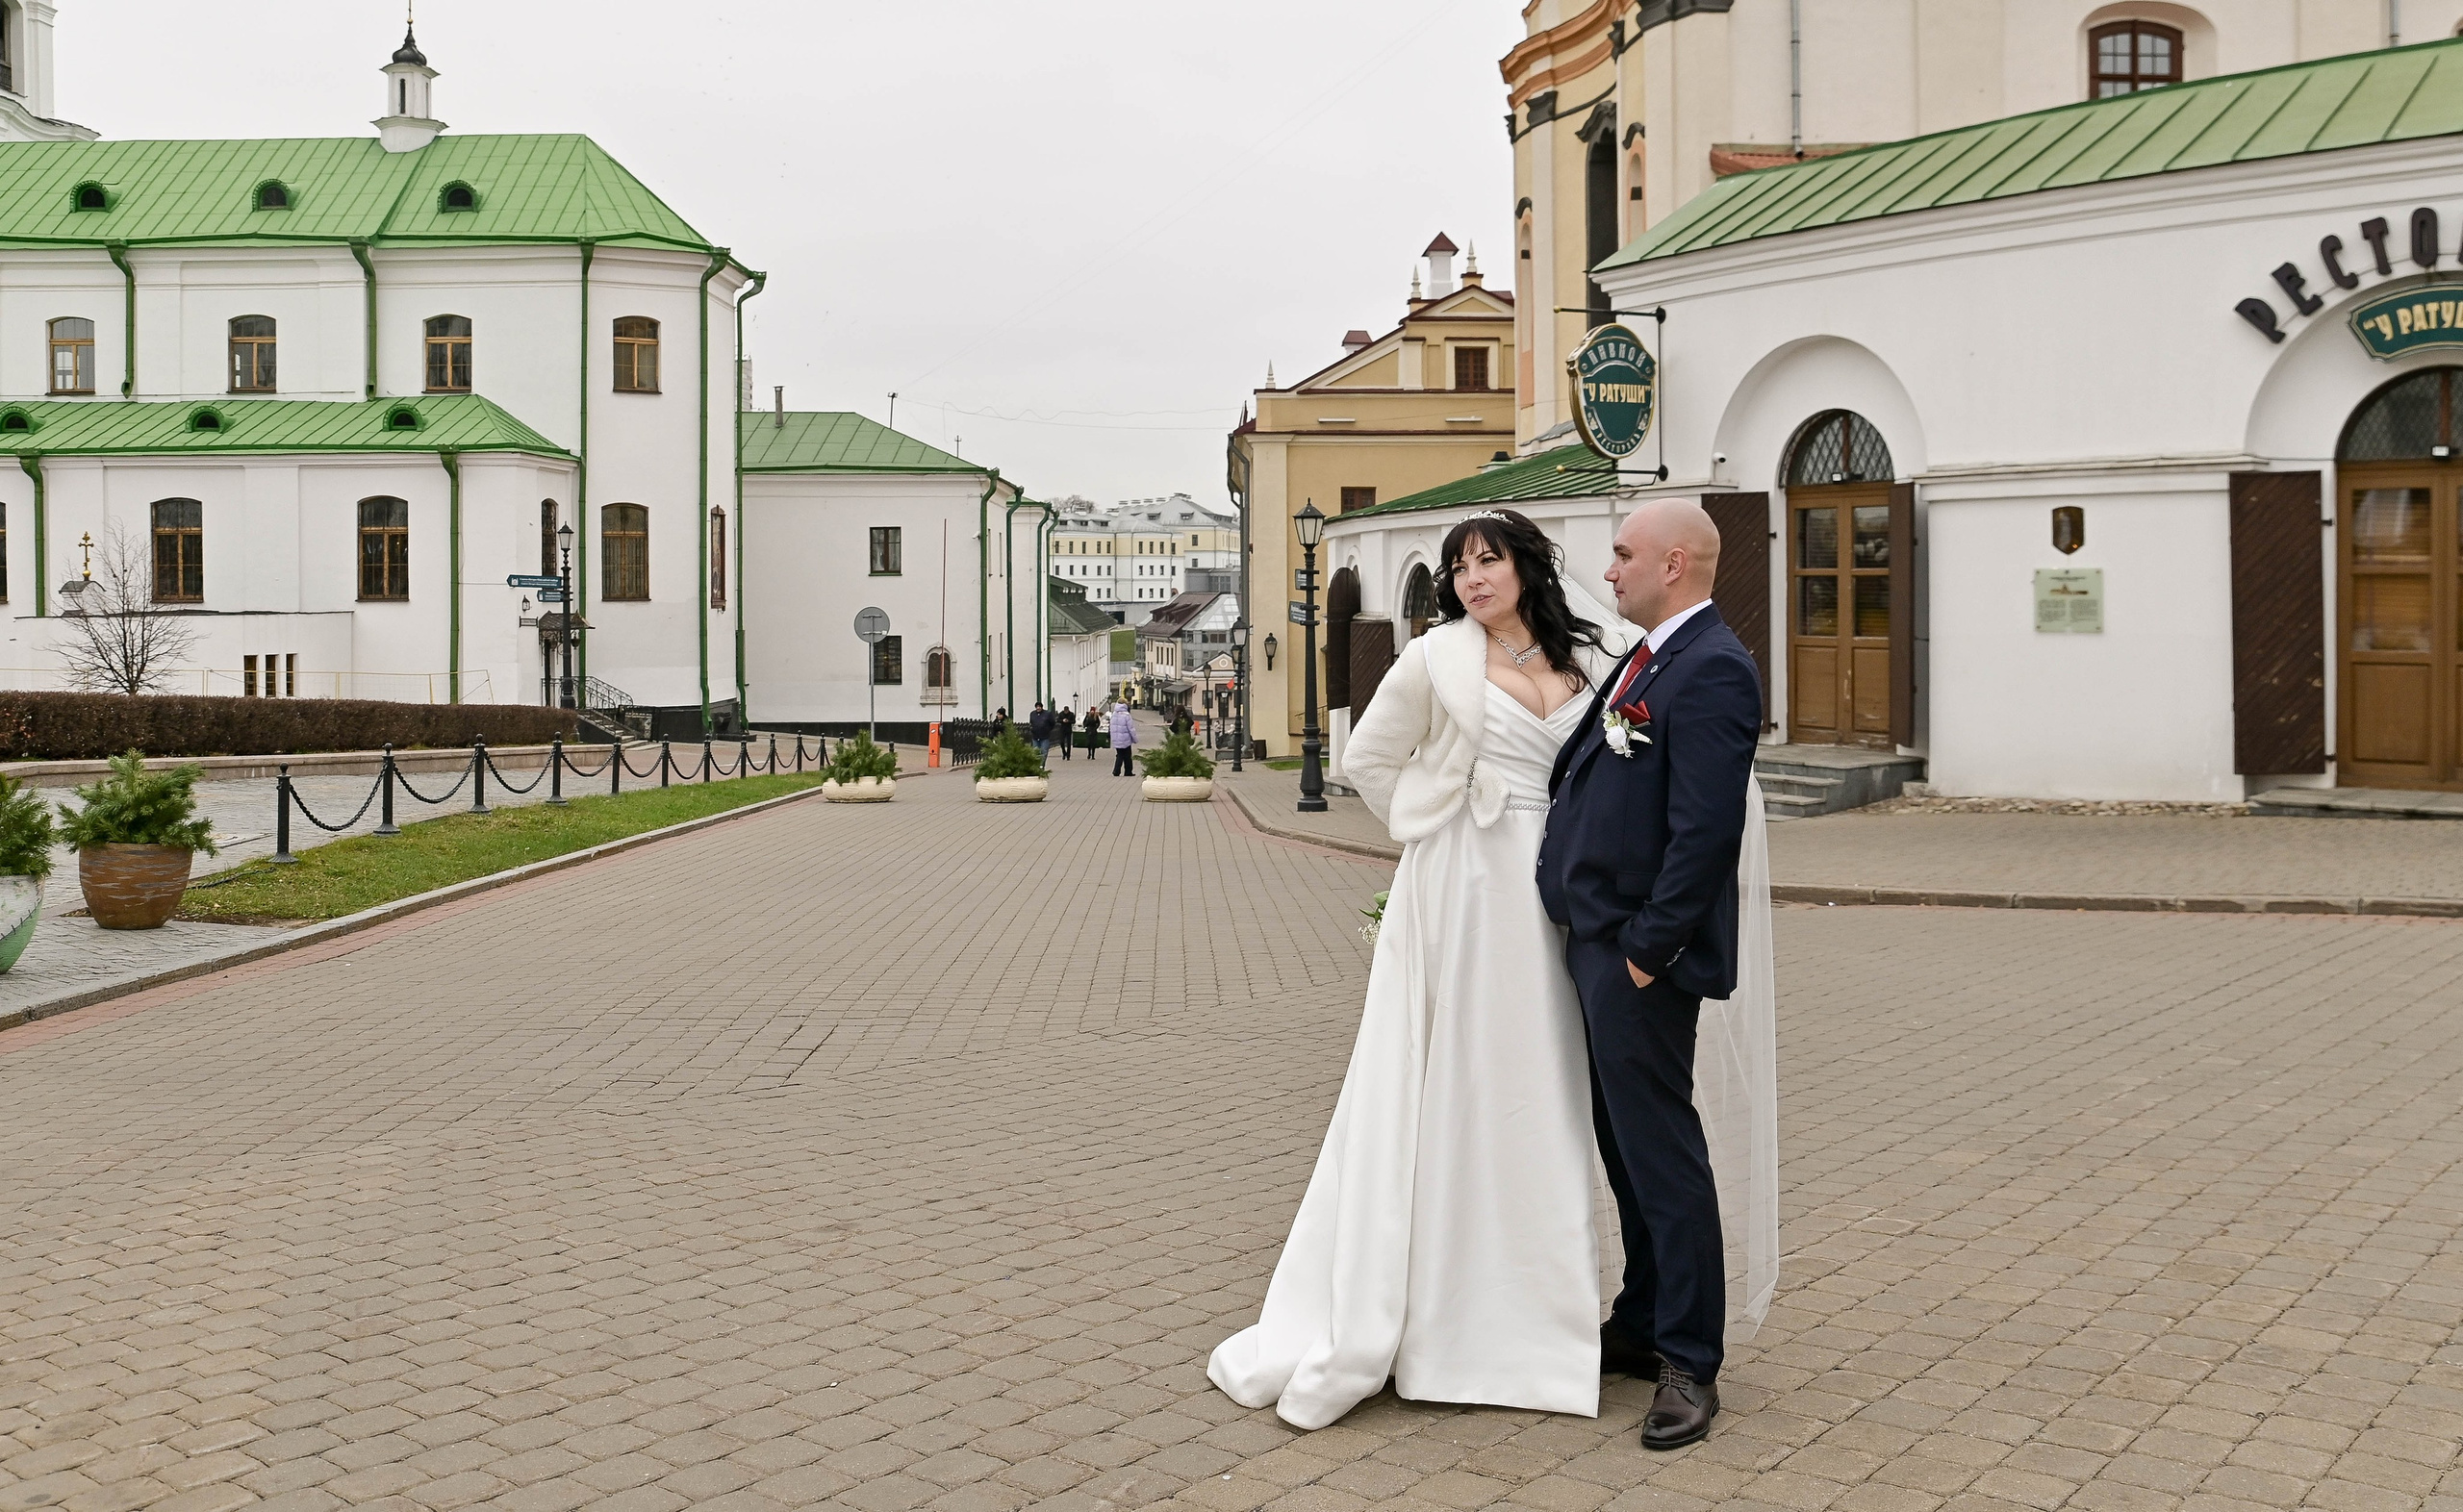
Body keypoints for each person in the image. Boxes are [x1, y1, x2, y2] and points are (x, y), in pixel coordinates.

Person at [1207, 508, 1624, 1430]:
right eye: (1460, 566)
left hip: (1553, 887)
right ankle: (1434, 1323)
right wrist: (1438, 814)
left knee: (1537, 1083)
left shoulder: (1586, 658)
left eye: (1491, 560)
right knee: (1447, 1080)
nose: (1476, 578)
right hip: (1463, 882)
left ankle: (1532, 1324)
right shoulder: (1437, 657)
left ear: (1527, 568)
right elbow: (1367, 758)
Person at [1537, 498, 1778, 1450]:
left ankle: (1689, 1360)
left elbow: (1705, 831)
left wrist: (1646, 951)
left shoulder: (1712, 667)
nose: (1610, 570)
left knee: (1662, 1154)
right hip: (1598, 942)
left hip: (1638, 957)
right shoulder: (1648, 658)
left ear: (1675, 563)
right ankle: (1640, 1322)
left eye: (1624, 554)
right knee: (1625, 1149)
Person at [1109, 701, 1136, 776]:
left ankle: (1116, 771)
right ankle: (1128, 771)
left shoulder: (1114, 714)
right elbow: (1130, 728)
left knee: (1119, 755)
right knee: (1127, 756)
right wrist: (1134, 739)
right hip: (1125, 739)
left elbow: (1111, 727)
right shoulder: (1126, 715)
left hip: (1116, 739)